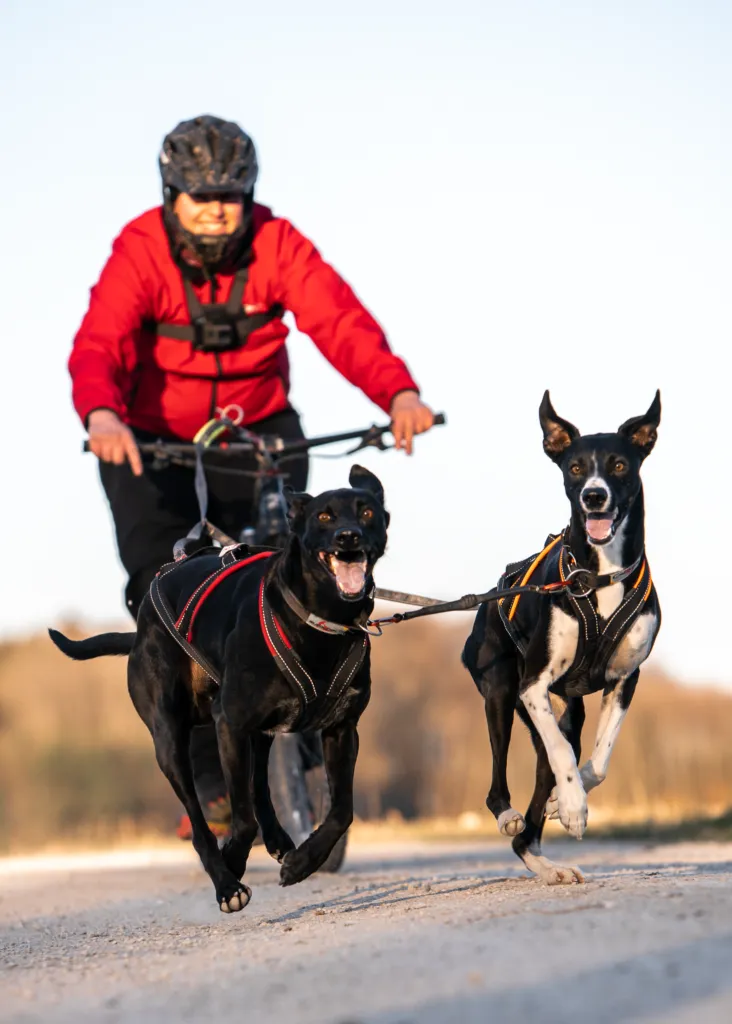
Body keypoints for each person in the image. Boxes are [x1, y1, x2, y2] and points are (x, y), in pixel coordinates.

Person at [69, 114, 434, 837]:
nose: (216, 210)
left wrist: (396, 392)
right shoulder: (139, 252)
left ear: (250, 194)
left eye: (230, 196)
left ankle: (318, 715)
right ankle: (207, 780)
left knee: (300, 568)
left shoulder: (277, 244)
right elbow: (99, 341)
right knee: (162, 589)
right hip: (152, 444)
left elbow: (340, 321)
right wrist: (102, 415)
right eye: (199, 196)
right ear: (170, 194)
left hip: (258, 433)